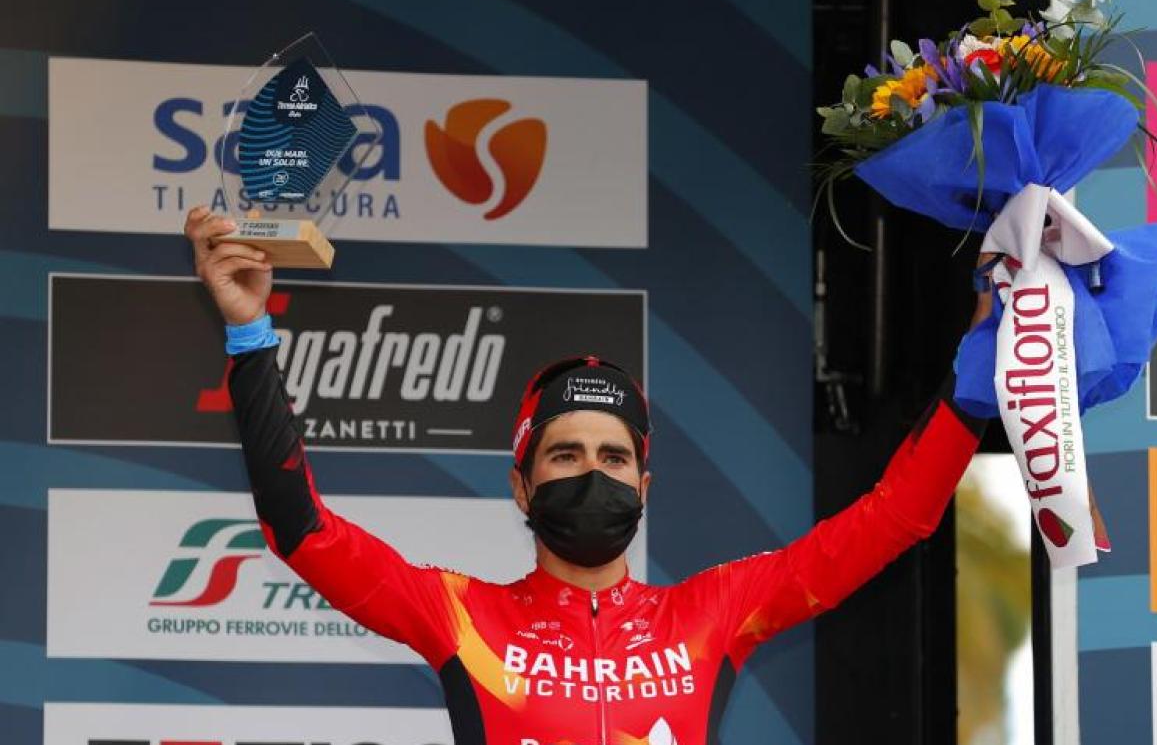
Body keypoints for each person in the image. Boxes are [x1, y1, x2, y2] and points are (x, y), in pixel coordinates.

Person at [185, 206, 991, 745]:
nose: (592, 473)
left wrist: (977, 380)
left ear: (645, 487)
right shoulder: (461, 616)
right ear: (521, 486)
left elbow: (898, 517)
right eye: (565, 455)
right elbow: (302, 529)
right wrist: (250, 335)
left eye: (614, 458)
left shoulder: (713, 612)